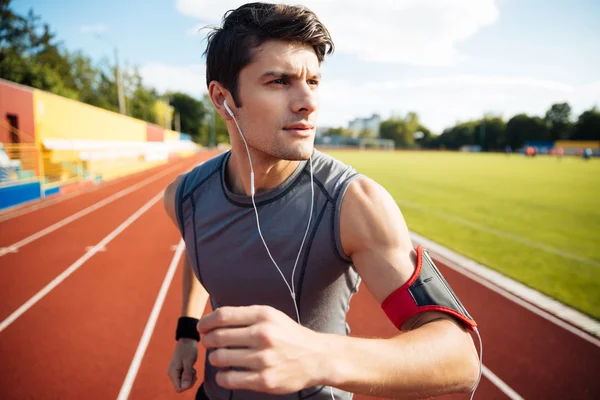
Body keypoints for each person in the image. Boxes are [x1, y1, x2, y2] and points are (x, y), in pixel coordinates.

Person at [163, 3, 480, 400]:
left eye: (313, 81)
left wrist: (319, 356)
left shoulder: (355, 203)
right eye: (278, 81)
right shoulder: (186, 196)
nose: (307, 102)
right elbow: (198, 245)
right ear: (223, 99)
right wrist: (187, 332)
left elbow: (460, 357)